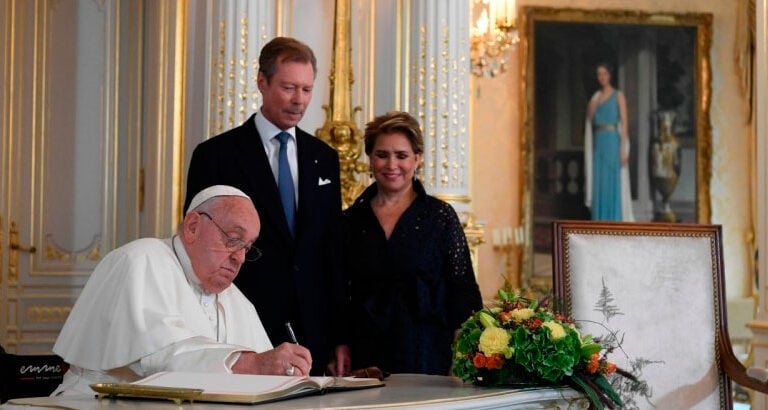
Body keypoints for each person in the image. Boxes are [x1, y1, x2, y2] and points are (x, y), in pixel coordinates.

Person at [183, 37, 349, 376]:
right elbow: (195, 243)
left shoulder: (324, 159)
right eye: (289, 88)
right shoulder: (216, 155)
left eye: (306, 89)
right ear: (262, 81)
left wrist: (340, 338)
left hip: (313, 330)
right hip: (241, 323)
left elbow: (333, 251)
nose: (299, 100)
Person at [51, 185, 313, 396]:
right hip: (96, 402)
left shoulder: (235, 299)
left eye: (247, 247)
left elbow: (262, 374)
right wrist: (256, 365)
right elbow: (161, 358)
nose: (240, 258)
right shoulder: (142, 258)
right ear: (193, 227)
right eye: (233, 239)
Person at [343, 111, 483, 375]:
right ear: (370, 158)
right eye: (382, 155)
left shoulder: (440, 217)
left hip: (427, 353)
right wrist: (339, 344)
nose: (391, 164)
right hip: (365, 356)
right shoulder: (350, 220)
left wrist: (466, 349)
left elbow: (462, 288)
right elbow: (338, 292)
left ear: (417, 159)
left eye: (401, 155)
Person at [584, 62, 634, 221]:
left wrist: (623, 149)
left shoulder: (618, 95)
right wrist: (594, 104)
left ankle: (614, 219)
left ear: (610, 75)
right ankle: (599, 220)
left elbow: (625, 123)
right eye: (599, 74)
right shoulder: (595, 97)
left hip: (613, 141)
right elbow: (590, 119)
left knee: (612, 180)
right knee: (600, 181)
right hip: (599, 142)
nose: (602, 77)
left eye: (604, 73)